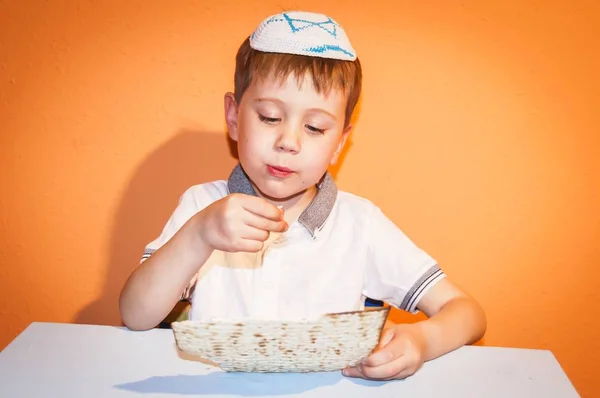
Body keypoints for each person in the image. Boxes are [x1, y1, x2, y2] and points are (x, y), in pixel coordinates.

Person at [119, 10, 486, 380]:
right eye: (269, 117)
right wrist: (198, 235)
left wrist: (422, 340)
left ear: (339, 142)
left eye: (314, 127)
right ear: (233, 117)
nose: (288, 142)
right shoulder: (202, 207)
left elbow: (467, 313)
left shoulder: (361, 224)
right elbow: (136, 315)